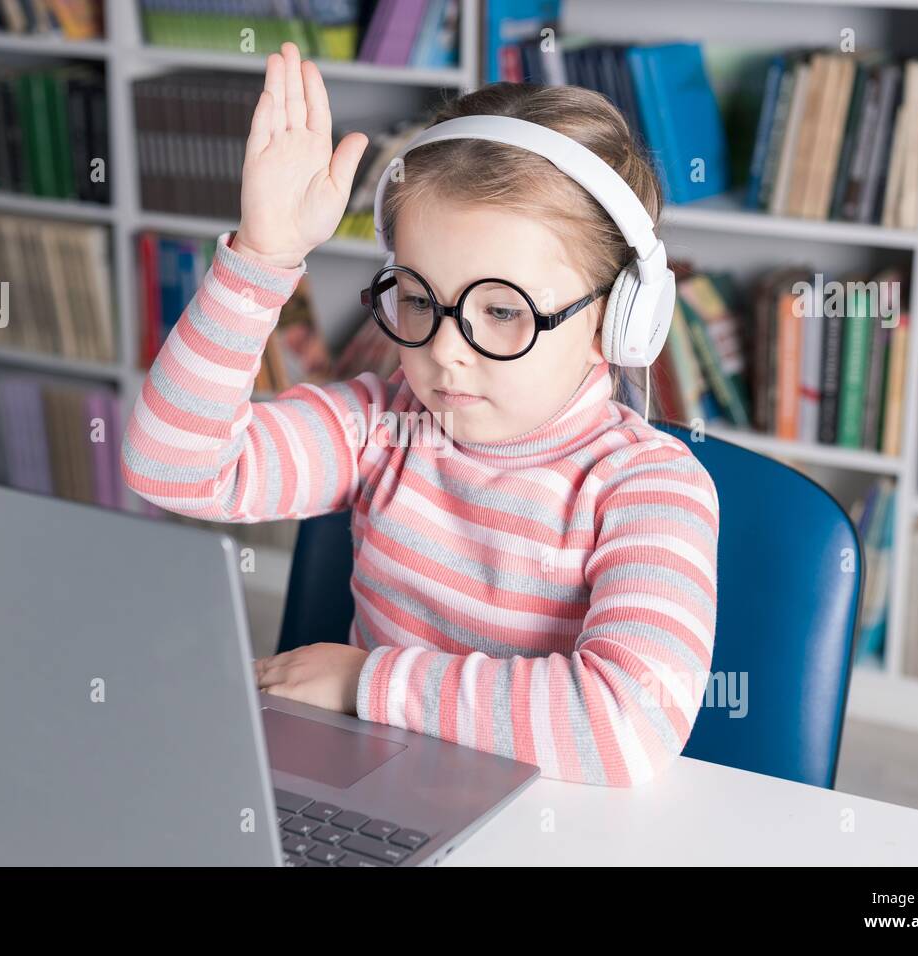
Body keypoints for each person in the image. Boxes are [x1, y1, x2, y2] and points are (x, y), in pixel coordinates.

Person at [122, 43, 720, 787]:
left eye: (502, 310)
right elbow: (171, 467)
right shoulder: (382, 427)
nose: (444, 351)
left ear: (623, 322)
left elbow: (625, 723)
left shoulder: (650, 488)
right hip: (373, 795)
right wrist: (260, 259)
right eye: (416, 298)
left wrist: (363, 683)